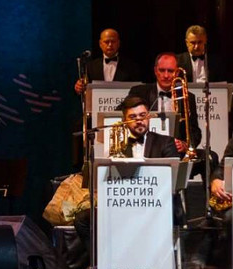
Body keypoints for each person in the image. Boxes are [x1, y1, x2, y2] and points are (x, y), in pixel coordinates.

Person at [73, 97, 177, 258]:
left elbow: (170, 178)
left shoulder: (166, 142)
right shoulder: (119, 148)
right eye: (133, 117)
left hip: (156, 203)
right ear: (124, 121)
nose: (139, 120)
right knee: (82, 219)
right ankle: (102, 261)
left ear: (149, 117)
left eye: (142, 115)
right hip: (126, 203)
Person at [121, 52, 202, 155]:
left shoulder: (187, 97)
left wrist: (185, 144)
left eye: (170, 71)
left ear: (177, 73)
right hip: (147, 148)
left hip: (175, 150)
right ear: (155, 71)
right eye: (162, 70)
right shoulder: (139, 92)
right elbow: (119, 113)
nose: (166, 75)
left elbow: (195, 131)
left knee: (211, 156)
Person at [74, 28, 140, 95]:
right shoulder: (90, 67)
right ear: (100, 44)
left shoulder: (131, 67)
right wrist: (79, 88)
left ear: (118, 43)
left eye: (113, 41)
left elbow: (137, 92)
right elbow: (85, 92)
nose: (110, 44)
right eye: (106, 42)